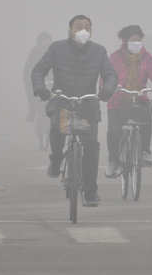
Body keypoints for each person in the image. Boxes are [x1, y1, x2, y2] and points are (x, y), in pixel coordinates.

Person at [31, 15, 118, 207]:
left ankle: (90, 192)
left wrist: (107, 90)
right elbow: (38, 70)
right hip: (63, 101)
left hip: (87, 105)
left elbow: (110, 74)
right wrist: (41, 89)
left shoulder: (99, 51)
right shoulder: (57, 49)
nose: (83, 31)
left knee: (91, 147)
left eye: (87, 27)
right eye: (79, 27)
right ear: (70, 30)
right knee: (57, 129)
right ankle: (55, 160)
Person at [105, 24, 152, 178]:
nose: (136, 43)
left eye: (139, 40)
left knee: (146, 120)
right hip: (118, 100)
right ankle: (113, 161)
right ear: (125, 41)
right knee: (114, 131)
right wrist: (108, 88)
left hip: (139, 98)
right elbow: (107, 76)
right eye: (133, 40)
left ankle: (145, 151)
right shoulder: (115, 57)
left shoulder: (146, 57)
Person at [23, 32, 53, 150]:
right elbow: (28, 69)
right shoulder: (34, 53)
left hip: (52, 84)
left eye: (47, 40)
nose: (45, 42)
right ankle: (32, 110)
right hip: (38, 84)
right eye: (43, 40)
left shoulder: (54, 52)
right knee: (37, 107)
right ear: (39, 42)